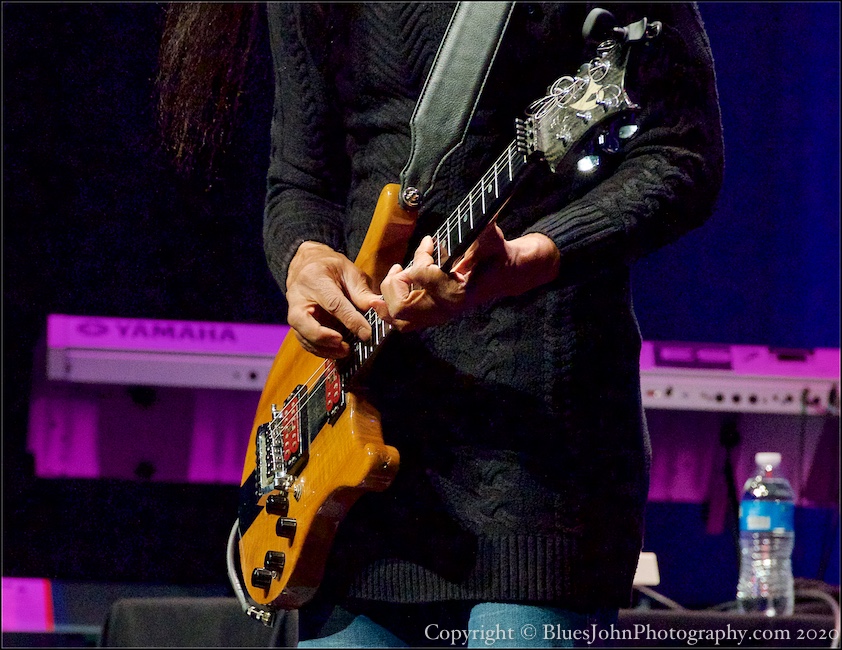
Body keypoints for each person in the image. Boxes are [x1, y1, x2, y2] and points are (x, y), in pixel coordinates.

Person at [161, 2, 723, 647]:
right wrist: (305, 257)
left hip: (537, 457)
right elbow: (301, 175)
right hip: (350, 456)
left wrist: (528, 257)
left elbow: (681, 152)